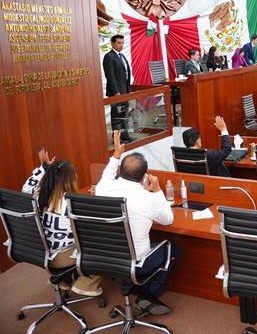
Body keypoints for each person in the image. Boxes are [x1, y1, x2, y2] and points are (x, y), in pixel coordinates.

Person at [95, 131, 180, 315]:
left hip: (104, 257)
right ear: (143, 177)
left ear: (120, 171)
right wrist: (157, 190)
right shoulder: (146, 198)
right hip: (136, 263)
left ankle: (139, 291)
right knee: (173, 249)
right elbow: (168, 220)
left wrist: (117, 154)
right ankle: (147, 294)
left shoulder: (103, 187)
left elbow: (107, 173)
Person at [22, 148, 103, 296]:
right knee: (103, 240)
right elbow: (94, 228)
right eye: (74, 174)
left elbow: (27, 186)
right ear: (70, 179)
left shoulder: (37, 196)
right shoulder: (73, 204)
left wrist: (44, 168)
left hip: (43, 252)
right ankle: (86, 283)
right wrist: (97, 196)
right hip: (63, 257)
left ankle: (63, 280)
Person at [103, 34, 133, 143]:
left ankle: (125, 136)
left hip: (125, 91)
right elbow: (110, 76)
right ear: (112, 44)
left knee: (124, 115)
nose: (121, 45)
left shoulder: (122, 56)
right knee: (117, 116)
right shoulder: (109, 56)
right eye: (118, 43)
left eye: (122, 43)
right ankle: (117, 138)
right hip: (117, 92)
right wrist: (116, 92)